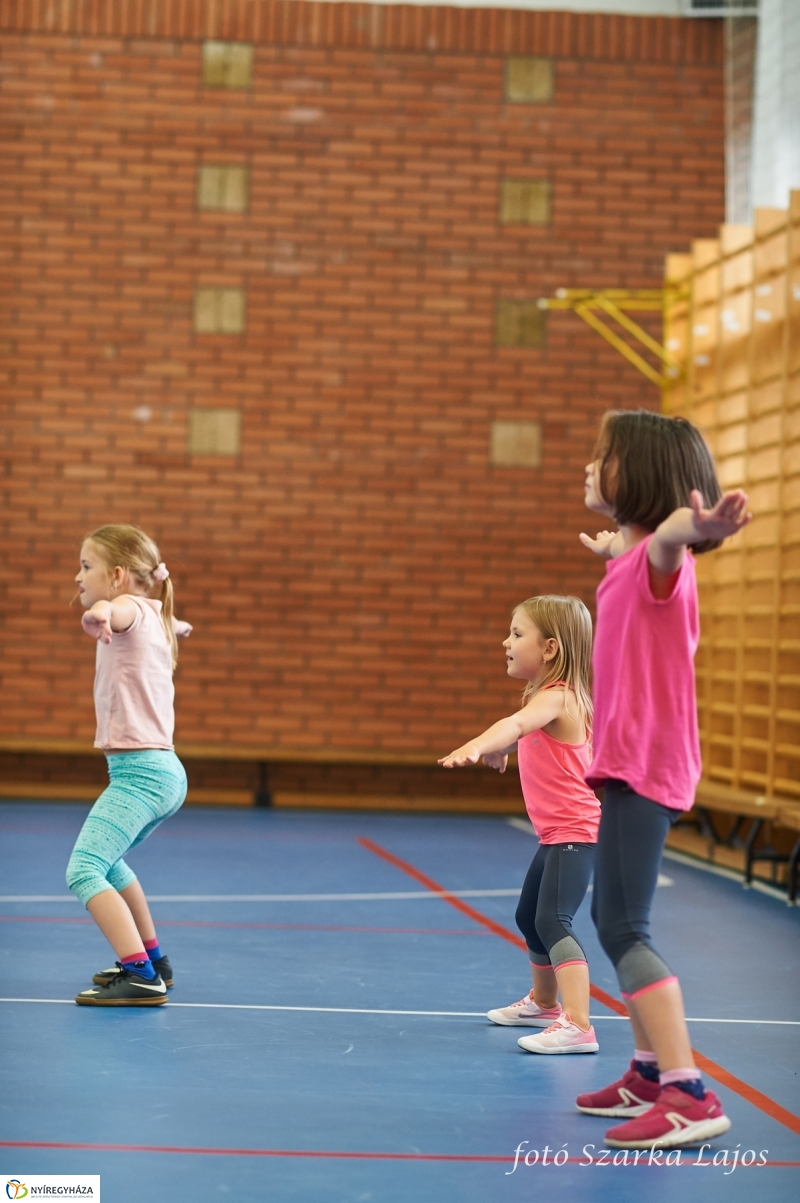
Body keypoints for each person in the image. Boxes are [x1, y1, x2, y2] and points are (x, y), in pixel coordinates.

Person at [576, 408, 750, 1148]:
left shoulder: (662, 561)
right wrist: (623, 540)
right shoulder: (631, 557)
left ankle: (687, 1090)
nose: (587, 466)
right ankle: (647, 1071)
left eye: (601, 457)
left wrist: (692, 528)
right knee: (609, 921)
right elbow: (645, 545)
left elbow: (671, 542)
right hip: (630, 762)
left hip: (646, 764)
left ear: (639, 478)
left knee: (624, 926)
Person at [440, 595, 601, 1054]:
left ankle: (579, 1024)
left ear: (549, 649)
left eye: (516, 634)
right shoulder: (548, 697)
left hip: (575, 833)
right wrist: (503, 749)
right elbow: (530, 735)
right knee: (528, 918)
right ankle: (546, 1004)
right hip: (556, 834)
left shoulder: (559, 696)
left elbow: (516, 724)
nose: (505, 642)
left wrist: (479, 744)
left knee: (553, 919)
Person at [66, 524, 192, 1006]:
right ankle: (152, 959)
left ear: (118, 575)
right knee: (111, 863)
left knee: (84, 869)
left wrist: (98, 613)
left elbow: (112, 609)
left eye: (85, 566)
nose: (77, 577)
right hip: (160, 772)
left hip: (142, 775)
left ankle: (140, 974)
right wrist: (174, 626)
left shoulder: (125, 609)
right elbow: (155, 617)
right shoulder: (155, 613)